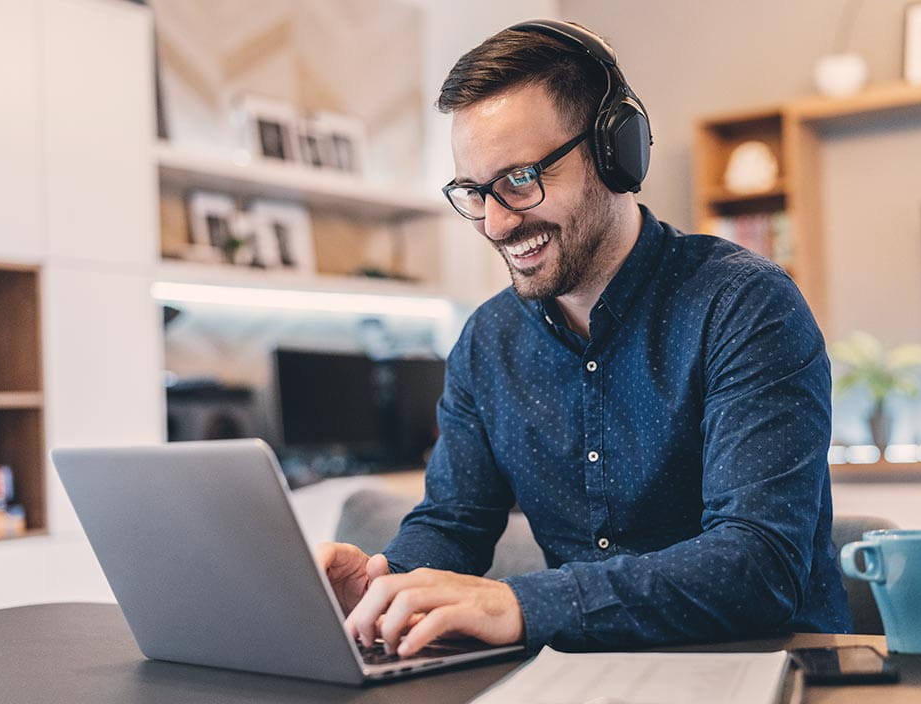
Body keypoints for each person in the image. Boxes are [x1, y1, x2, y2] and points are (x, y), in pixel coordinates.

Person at [316, 19, 852, 657]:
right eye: (473, 192)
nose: (494, 223)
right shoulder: (487, 342)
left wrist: (523, 604)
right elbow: (453, 522)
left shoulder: (745, 306)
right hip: (583, 677)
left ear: (614, 154)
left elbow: (759, 565)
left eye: (519, 180)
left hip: (764, 665)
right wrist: (386, 589)